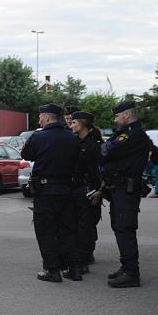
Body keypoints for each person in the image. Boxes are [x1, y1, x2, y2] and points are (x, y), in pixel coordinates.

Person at [21, 104, 80, 283]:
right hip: (67, 190)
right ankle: (74, 268)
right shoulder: (71, 137)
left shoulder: (39, 136)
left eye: (40, 117)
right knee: (67, 231)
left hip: (46, 191)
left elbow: (26, 154)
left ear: (46, 118)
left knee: (46, 231)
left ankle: (52, 270)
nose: (39, 120)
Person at [101, 100, 151, 288]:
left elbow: (107, 151)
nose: (115, 120)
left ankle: (131, 272)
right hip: (118, 188)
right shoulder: (124, 134)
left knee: (125, 228)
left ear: (127, 115)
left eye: (117, 116)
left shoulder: (134, 134)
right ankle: (126, 266)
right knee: (119, 227)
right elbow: (106, 150)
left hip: (126, 189)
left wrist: (106, 148)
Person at [69, 111, 103, 274]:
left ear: (83, 124)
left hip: (88, 190)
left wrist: (101, 190)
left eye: (74, 122)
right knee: (76, 226)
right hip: (74, 189)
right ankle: (81, 257)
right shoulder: (74, 142)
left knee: (84, 227)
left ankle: (82, 260)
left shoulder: (94, 145)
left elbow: (102, 171)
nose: (71, 125)